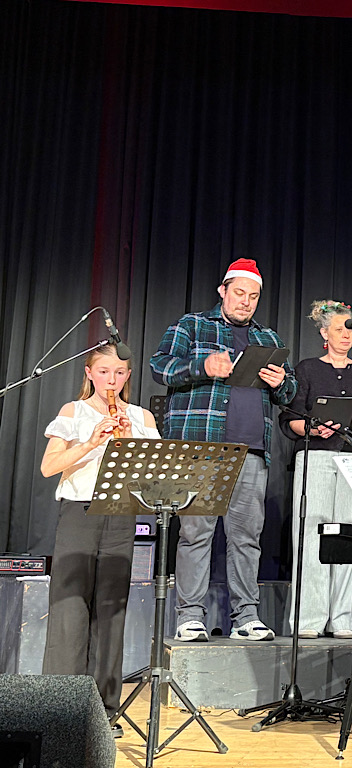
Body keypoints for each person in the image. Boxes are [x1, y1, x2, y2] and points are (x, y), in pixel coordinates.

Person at [150, 257, 297, 642]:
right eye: (239, 293)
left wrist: (281, 382)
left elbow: (290, 393)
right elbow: (160, 367)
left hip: (251, 452)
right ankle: (189, 617)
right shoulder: (192, 325)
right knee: (195, 533)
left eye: (253, 296)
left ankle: (246, 617)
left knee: (247, 538)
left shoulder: (269, 339)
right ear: (223, 291)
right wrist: (202, 366)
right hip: (201, 448)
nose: (245, 301)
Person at [40, 343, 160, 736]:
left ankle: (104, 710)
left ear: (128, 376)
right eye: (104, 372)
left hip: (121, 512)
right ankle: (60, 709)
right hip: (79, 511)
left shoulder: (141, 417)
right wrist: (91, 442)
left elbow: (155, 477)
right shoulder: (73, 412)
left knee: (111, 611)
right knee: (69, 607)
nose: (112, 380)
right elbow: (48, 467)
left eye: (120, 373)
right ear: (90, 373)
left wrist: (131, 441)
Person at [280, 300, 352, 639]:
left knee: (347, 537)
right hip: (316, 456)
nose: (346, 334)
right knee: (312, 536)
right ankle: (308, 619)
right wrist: (312, 428)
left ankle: (341, 617)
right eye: (339, 328)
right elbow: (290, 419)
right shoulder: (308, 369)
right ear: (324, 333)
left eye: (349, 328)